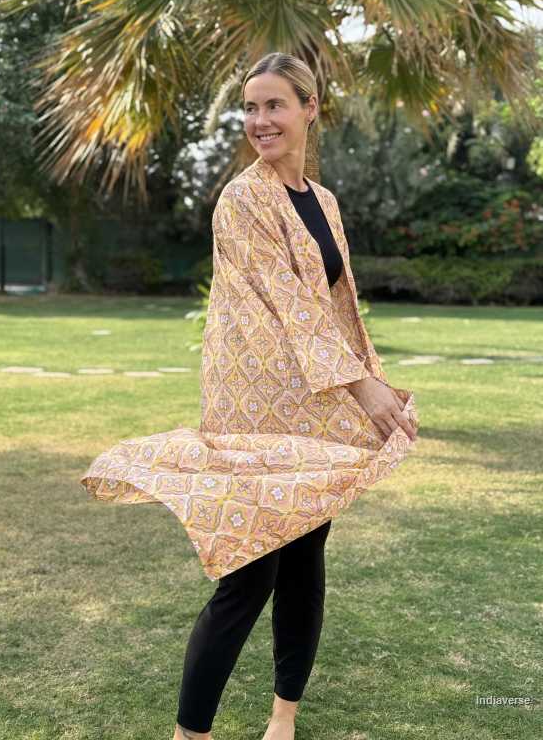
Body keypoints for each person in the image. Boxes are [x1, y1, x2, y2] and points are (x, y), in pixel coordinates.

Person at [171, 52, 418, 740]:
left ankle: (283, 718)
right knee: (248, 578)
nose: (259, 120)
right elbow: (284, 305)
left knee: (306, 563)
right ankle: (190, 734)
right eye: (250, 107)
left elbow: (338, 308)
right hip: (254, 414)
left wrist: (373, 381)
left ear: (311, 108)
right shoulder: (242, 200)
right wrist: (360, 386)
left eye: (274, 105)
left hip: (313, 410)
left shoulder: (324, 201)